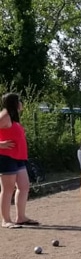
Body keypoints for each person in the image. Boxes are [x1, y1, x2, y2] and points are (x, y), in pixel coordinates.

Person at [0, 93, 39, 228]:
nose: (22, 103)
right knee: (7, 189)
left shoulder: (12, 117)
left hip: (18, 157)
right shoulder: (4, 115)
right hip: (7, 157)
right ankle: (5, 220)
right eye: (20, 101)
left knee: (24, 186)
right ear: (14, 103)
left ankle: (21, 217)